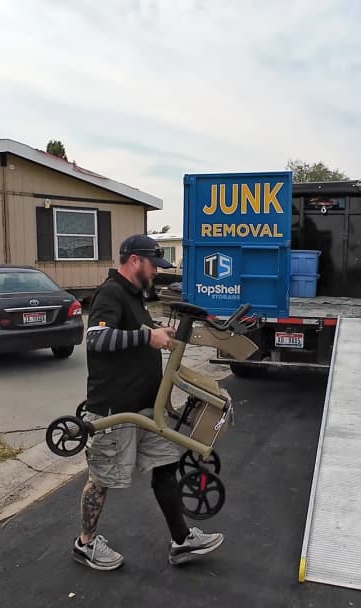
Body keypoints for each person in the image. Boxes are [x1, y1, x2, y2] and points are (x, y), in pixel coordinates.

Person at [73, 234, 223, 571]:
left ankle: (181, 541)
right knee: (101, 480)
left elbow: (133, 333)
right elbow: (96, 338)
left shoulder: (134, 296)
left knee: (166, 468)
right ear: (135, 260)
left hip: (146, 407)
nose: (156, 271)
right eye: (154, 264)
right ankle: (86, 544)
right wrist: (147, 336)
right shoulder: (110, 293)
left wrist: (156, 332)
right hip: (115, 409)